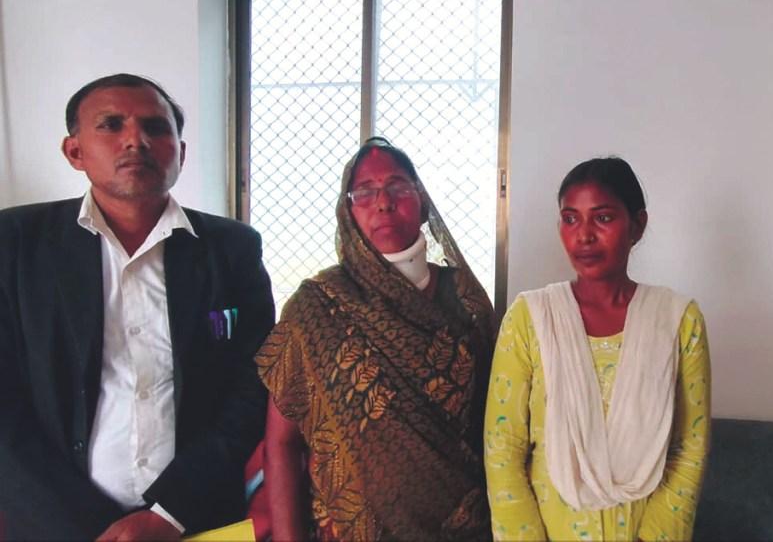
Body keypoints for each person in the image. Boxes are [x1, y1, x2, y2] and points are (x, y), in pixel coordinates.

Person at [0, 73, 275, 539]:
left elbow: (254, 384)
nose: (136, 140)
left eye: (155, 127)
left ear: (180, 153)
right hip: (56, 524)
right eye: (111, 125)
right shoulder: (17, 244)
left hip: (197, 519)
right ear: (74, 151)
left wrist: (168, 514)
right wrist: (88, 526)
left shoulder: (231, 249)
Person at [256, 137, 497, 540]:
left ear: (422, 202)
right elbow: (280, 444)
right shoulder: (315, 307)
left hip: (466, 528)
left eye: (398, 186)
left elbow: (500, 425)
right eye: (365, 192)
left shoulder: (467, 299)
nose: (384, 202)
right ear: (348, 212)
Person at [484, 157, 711, 541]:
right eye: (570, 219)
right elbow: (502, 448)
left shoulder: (677, 320)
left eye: (603, 218)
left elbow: (690, 446)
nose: (584, 235)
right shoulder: (530, 318)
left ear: (637, 225)